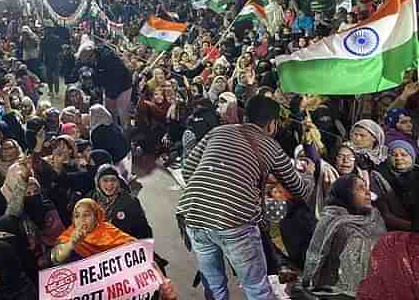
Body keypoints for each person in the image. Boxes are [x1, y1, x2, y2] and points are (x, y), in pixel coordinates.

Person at [177, 95, 312, 300]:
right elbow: (300, 189)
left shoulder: (219, 131)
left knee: (214, 285)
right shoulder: (271, 146)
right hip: (234, 222)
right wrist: (309, 172)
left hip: (193, 214)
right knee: (256, 288)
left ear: (246, 115)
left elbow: (187, 171)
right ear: (272, 124)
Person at [50, 198, 177, 299]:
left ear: (97, 216)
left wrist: (162, 281)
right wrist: (71, 244)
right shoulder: (68, 236)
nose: (81, 220)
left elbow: (141, 255)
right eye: (76, 216)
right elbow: (56, 257)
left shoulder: (109, 231)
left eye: (87, 215)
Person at [302, 174, 386, 297]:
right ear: (344, 193)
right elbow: (317, 255)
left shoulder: (373, 217)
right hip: (343, 292)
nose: (368, 192)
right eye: (360, 188)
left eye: (366, 187)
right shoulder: (338, 225)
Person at [90, 164, 152, 239]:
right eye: (105, 180)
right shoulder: (89, 200)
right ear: (98, 183)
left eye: (113, 180)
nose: (110, 184)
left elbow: (143, 230)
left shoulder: (130, 202)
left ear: (118, 182)